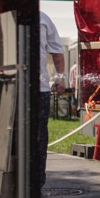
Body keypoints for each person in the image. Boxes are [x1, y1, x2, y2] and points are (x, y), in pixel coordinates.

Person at [39, 11, 65, 188]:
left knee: (40, 136)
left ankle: (37, 180)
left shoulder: (44, 19)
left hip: (40, 88)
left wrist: (60, 77)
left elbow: (57, 51)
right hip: (9, 87)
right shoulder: (2, 12)